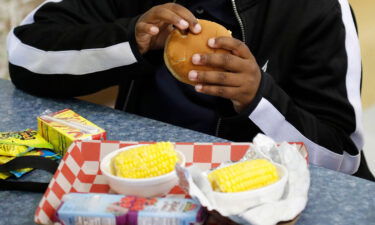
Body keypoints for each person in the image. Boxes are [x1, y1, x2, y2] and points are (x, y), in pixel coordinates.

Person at [6, 0, 374, 181]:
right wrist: (130, 38)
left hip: (257, 194)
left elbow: (343, 159)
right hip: (148, 182)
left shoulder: (318, 8)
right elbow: (25, 55)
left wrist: (259, 97)